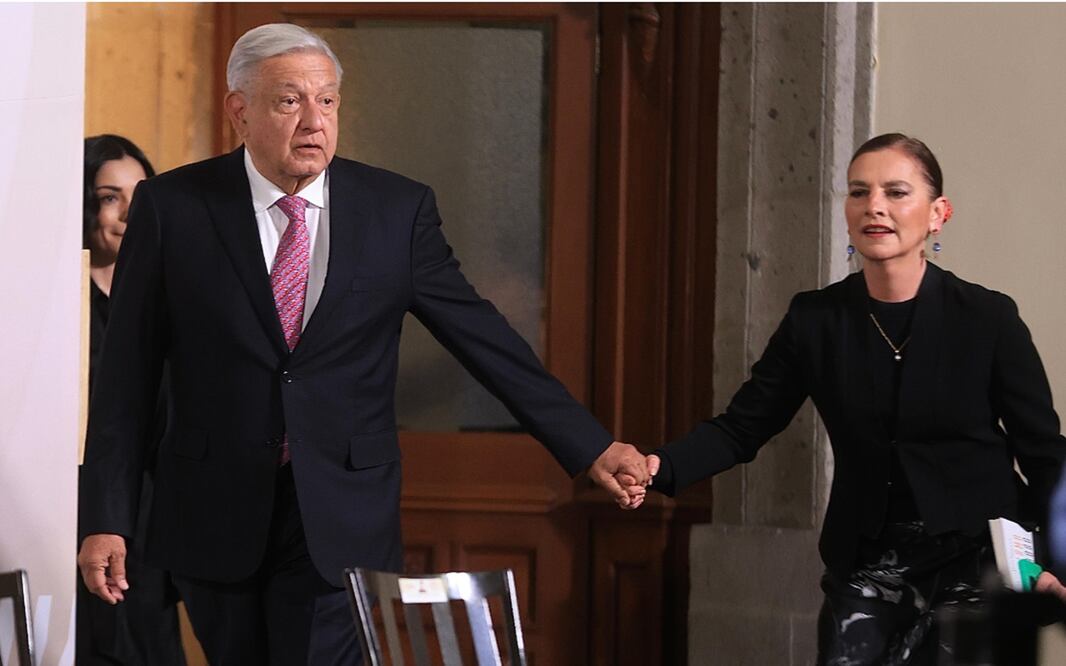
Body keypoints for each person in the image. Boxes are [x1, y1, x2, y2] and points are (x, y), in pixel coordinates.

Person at [77, 23, 648, 664]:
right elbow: (124, 379)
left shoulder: (395, 211)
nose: (314, 121)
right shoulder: (173, 207)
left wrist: (590, 445)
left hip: (338, 511)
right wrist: (106, 515)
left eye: (327, 100)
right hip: (211, 510)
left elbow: (486, 341)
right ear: (240, 111)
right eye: (289, 101)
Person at [642, 133, 1066, 664]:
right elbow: (743, 427)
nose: (875, 207)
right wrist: (656, 466)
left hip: (978, 561)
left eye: (896, 192)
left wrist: (1057, 563)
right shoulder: (815, 320)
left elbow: (1045, 453)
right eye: (859, 192)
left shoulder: (988, 318)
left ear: (938, 214)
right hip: (868, 560)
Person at [77, 134, 185, 665]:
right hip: (72, 505)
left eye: (140, 196)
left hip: (153, 511)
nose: (127, 214)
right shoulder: (57, 305)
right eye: (109, 196)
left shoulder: (173, 298)